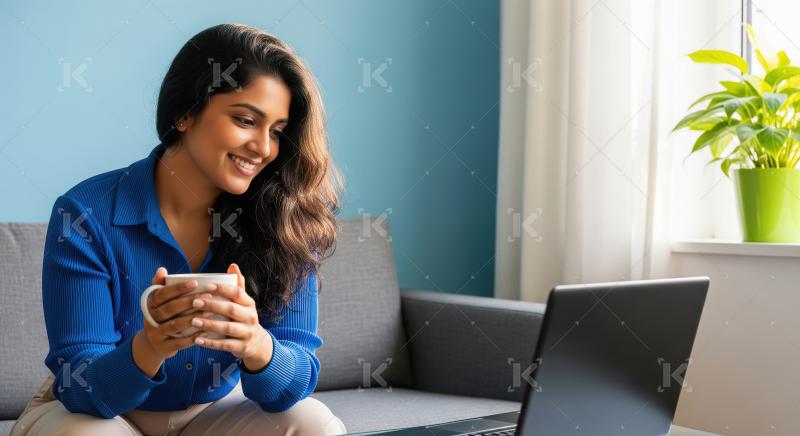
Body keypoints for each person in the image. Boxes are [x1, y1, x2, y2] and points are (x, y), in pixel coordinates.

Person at [11, 22, 347, 436]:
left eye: (277, 132)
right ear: (185, 113)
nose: (263, 148)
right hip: (96, 413)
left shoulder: (285, 221)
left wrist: (258, 346)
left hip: (210, 411)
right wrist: (149, 347)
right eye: (245, 120)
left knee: (313, 424)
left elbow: (293, 385)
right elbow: (81, 386)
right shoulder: (84, 214)